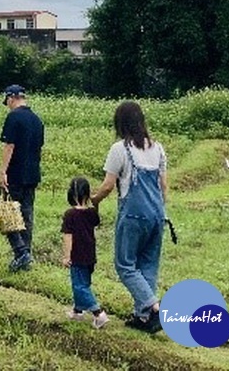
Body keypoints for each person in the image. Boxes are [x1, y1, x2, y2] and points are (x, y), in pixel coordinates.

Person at [91, 100, 168, 333]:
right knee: (148, 264)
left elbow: (108, 185)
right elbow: (164, 186)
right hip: (157, 214)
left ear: (120, 123)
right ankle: (142, 317)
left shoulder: (120, 149)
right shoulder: (158, 148)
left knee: (125, 265)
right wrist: (160, 211)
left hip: (133, 214)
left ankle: (154, 308)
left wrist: (94, 201)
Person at [0, 84, 44, 272]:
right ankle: (26, 254)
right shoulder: (37, 120)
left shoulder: (14, 117)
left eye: (7, 101)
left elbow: (10, 146)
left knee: (7, 212)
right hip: (32, 173)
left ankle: (20, 251)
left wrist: (2, 172)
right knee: (26, 214)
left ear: (11, 98)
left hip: (14, 174)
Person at [61, 176, 109, 329]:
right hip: (90, 256)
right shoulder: (91, 213)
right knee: (84, 283)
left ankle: (98, 313)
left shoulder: (70, 215)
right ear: (88, 194)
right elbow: (96, 221)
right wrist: (96, 203)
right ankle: (77, 311)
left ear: (70, 194)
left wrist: (66, 256)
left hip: (77, 256)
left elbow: (68, 237)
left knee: (79, 286)